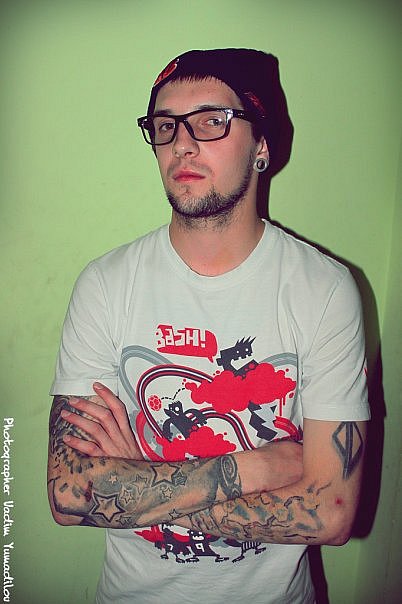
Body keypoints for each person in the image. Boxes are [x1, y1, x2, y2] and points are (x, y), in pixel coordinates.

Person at [47, 49, 370, 604]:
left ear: (262, 145)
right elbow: (71, 495)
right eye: (165, 126)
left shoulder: (324, 290)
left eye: (211, 121)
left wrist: (139, 478)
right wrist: (256, 468)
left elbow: (331, 514)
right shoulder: (105, 284)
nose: (182, 144)